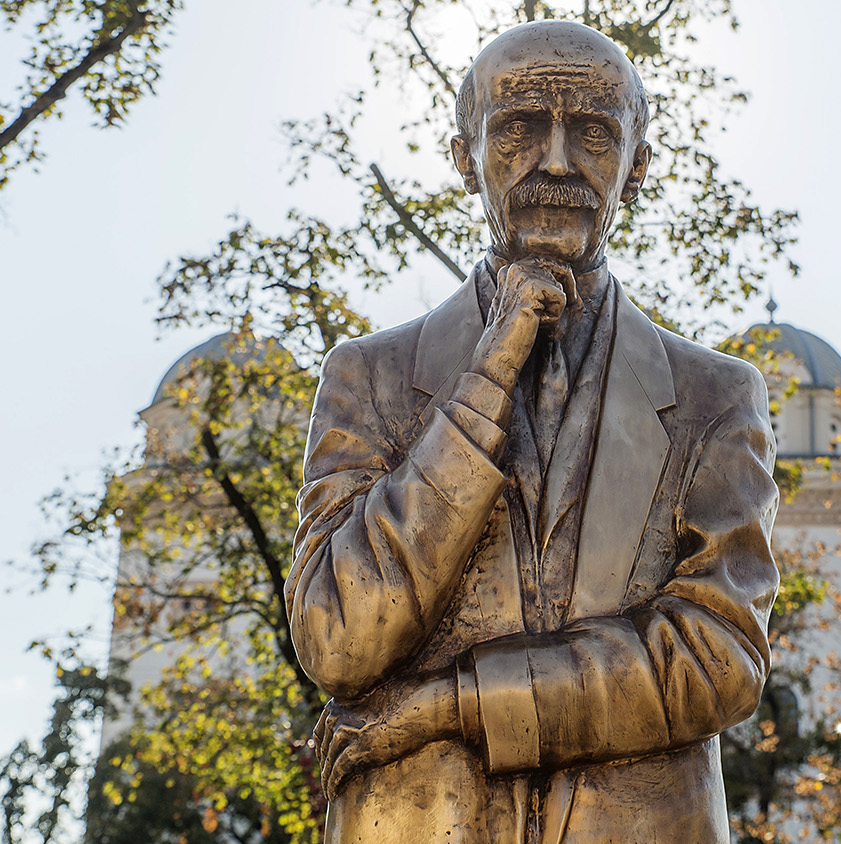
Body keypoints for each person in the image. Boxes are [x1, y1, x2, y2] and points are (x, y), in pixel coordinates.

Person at [285, 19, 779, 844]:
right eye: (518, 127)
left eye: (592, 131)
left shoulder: (715, 396)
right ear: (463, 156)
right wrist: (485, 377)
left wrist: (455, 705)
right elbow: (337, 636)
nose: (555, 160)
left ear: (639, 167)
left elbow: (719, 659)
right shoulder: (367, 376)